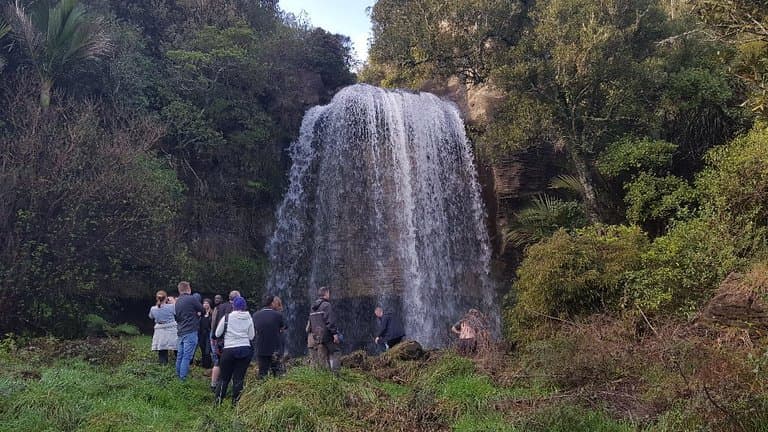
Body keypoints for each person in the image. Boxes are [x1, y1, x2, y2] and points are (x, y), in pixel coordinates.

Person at [214, 296, 254, 405]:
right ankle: (235, 405)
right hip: (244, 349)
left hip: (229, 349)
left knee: (224, 378)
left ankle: (217, 404)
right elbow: (251, 336)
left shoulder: (227, 318)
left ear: (233, 306)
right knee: (239, 379)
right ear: (245, 306)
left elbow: (217, 333)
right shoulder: (249, 318)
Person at [210, 290, 239, 391]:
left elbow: (214, 322)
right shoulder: (237, 309)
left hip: (219, 339)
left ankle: (213, 384)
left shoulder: (220, 307)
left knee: (218, 362)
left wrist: (213, 336)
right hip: (231, 339)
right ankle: (229, 385)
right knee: (233, 363)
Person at [251, 294, 286, 378]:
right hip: (275, 348)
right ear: (272, 303)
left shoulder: (255, 315)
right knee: (277, 373)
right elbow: (283, 328)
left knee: (262, 373)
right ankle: (277, 389)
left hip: (261, 347)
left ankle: (262, 389)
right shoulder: (278, 315)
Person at [307, 286, 341, 373]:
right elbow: (330, 321)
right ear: (326, 294)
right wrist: (335, 334)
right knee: (336, 351)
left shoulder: (312, 306)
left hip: (316, 336)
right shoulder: (326, 305)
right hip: (326, 335)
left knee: (322, 354)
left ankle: (323, 374)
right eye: (329, 293)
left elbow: (310, 323)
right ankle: (336, 373)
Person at [174, 281, 203, 380]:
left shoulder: (177, 301)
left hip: (181, 331)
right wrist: (196, 314)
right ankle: (182, 379)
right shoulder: (191, 299)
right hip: (190, 331)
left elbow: (176, 317)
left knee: (180, 356)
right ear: (188, 288)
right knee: (187, 357)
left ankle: (178, 376)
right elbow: (202, 309)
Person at [148, 290, 177, 365]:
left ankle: (163, 366)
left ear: (157, 298)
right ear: (166, 298)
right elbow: (177, 312)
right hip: (171, 329)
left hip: (160, 330)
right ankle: (178, 365)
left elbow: (151, 316)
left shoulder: (153, 308)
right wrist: (174, 302)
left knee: (162, 349)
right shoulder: (171, 307)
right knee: (176, 348)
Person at [198, 298, 213, 369]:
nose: (205, 304)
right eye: (204, 303)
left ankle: (208, 365)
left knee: (207, 350)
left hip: (208, 333)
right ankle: (203, 364)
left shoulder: (212, 313)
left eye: (207, 303)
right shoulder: (201, 314)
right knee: (202, 349)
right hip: (201, 333)